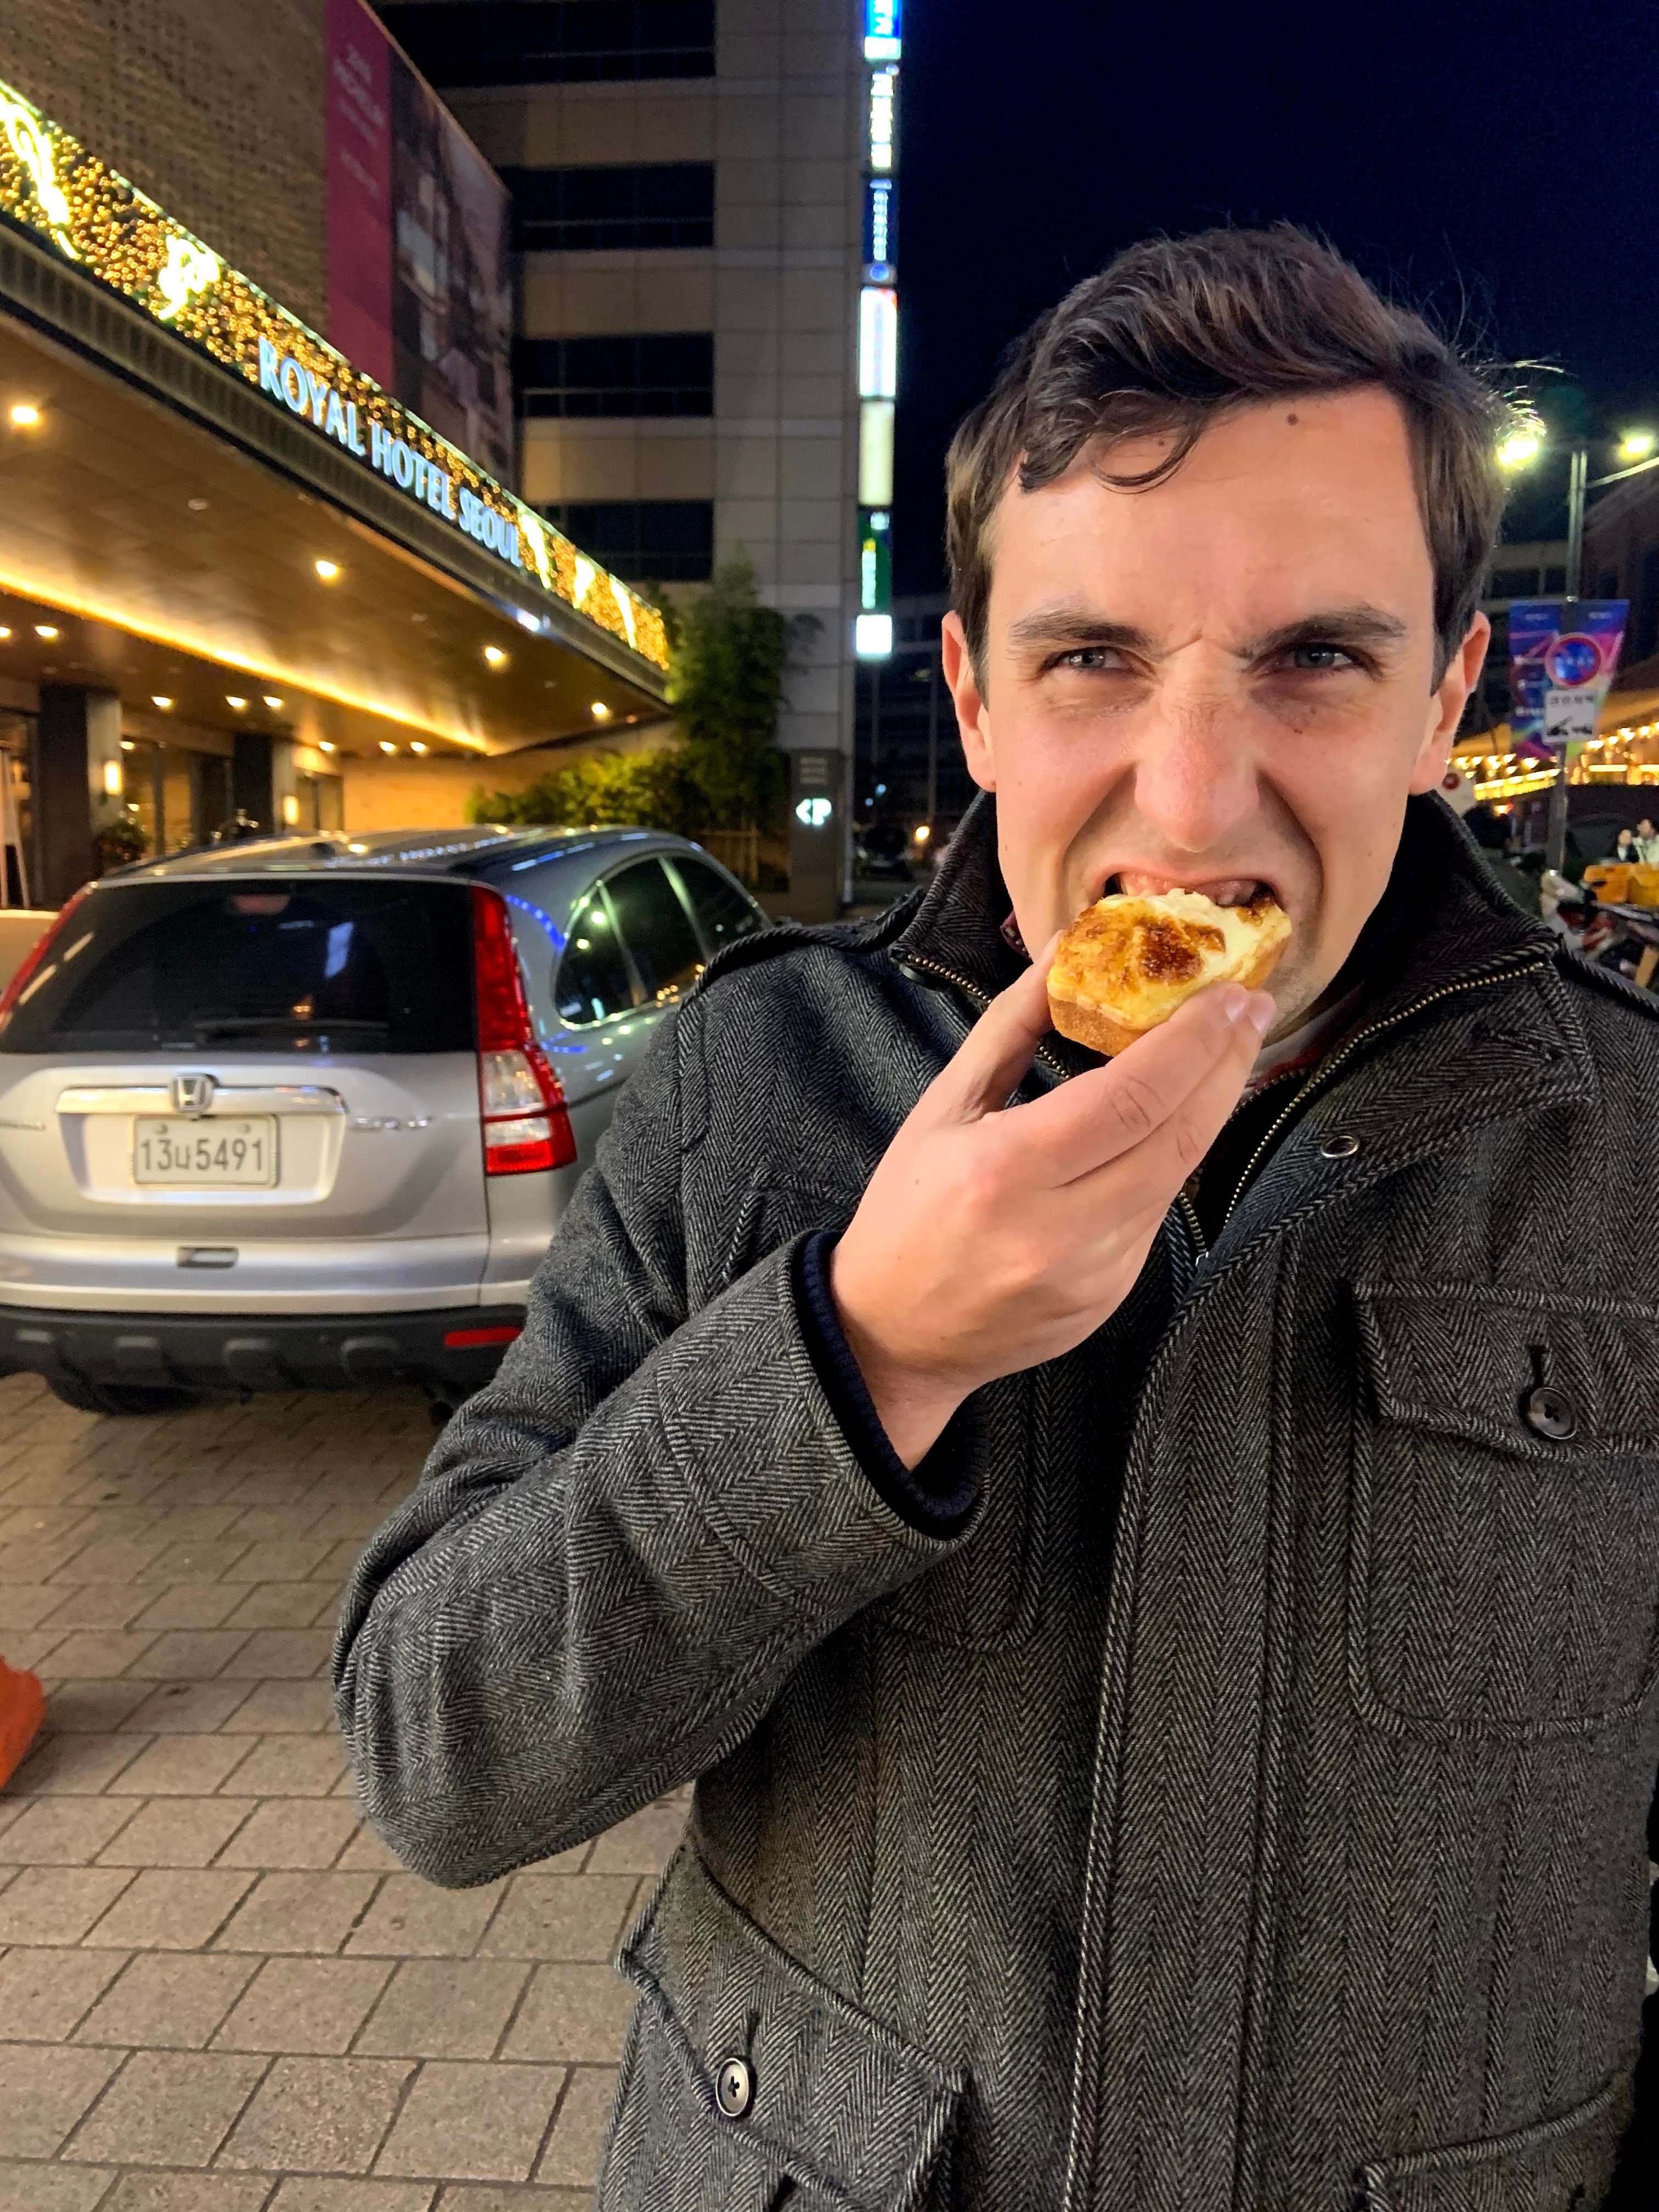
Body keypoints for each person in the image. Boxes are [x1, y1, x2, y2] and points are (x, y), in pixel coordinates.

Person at [334, 228, 1659, 2210]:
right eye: (1094, 659)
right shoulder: (750, 1091)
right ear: (967, 695)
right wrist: (864, 1352)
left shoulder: (1629, 1143)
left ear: (1447, 692)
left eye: (1317, 657)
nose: (1194, 804)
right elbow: (437, 1753)